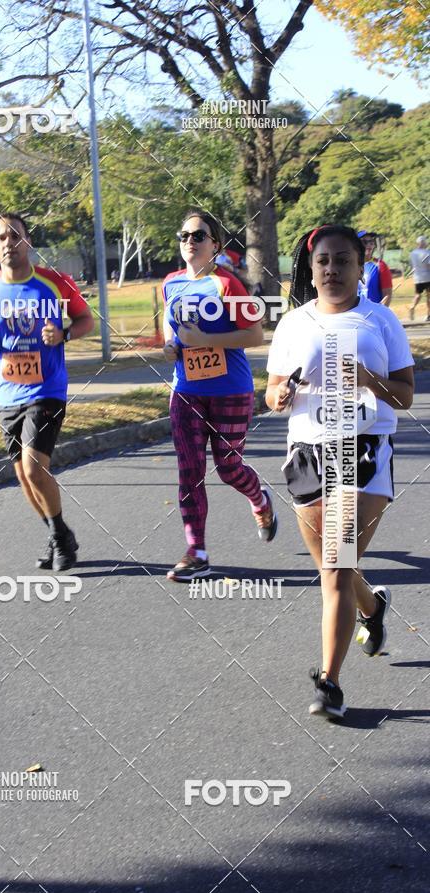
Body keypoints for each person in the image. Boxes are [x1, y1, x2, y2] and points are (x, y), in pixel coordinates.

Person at [266, 224, 414, 719]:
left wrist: (370, 381)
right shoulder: (292, 324)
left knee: (334, 566)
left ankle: (329, 684)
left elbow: (406, 395)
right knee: (337, 568)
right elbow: (271, 394)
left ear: (360, 267)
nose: (332, 270)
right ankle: (372, 607)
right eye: (324, 261)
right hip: (307, 453)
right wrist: (280, 396)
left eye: (343, 261)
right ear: (311, 268)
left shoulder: (381, 321)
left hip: (364, 451)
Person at [0, 213, 94, 571]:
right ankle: (59, 534)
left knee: (34, 466)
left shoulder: (56, 282)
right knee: (23, 476)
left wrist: (65, 335)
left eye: (15, 236)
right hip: (8, 393)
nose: (9, 242)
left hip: (48, 389)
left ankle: (60, 539)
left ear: (28, 241)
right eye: (1, 238)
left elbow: (86, 319)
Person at [162, 209, 277, 582]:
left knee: (229, 470)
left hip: (231, 390)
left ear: (216, 245)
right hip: (186, 392)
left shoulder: (226, 284)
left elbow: (254, 336)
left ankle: (259, 498)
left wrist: (208, 341)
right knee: (189, 472)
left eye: (198, 236)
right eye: (184, 236)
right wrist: (170, 345)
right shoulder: (170, 284)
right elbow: (171, 325)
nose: (190, 242)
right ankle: (197, 551)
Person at [357, 230, 393, 306]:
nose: (369, 245)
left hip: (372, 315)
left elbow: (387, 296)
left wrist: (378, 314)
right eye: (364, 242)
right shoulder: (349, 266)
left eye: (371, 242)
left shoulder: (380, 265)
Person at [408, 236, 430, 321]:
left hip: (417, 277)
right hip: (428, 277)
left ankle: (412, 306)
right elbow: (429, 265)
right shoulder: (427, 253)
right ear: (424, 243)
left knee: (417, 294)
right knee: (428, 296)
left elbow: (412, 266)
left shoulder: (413, 253)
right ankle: (429, 315)